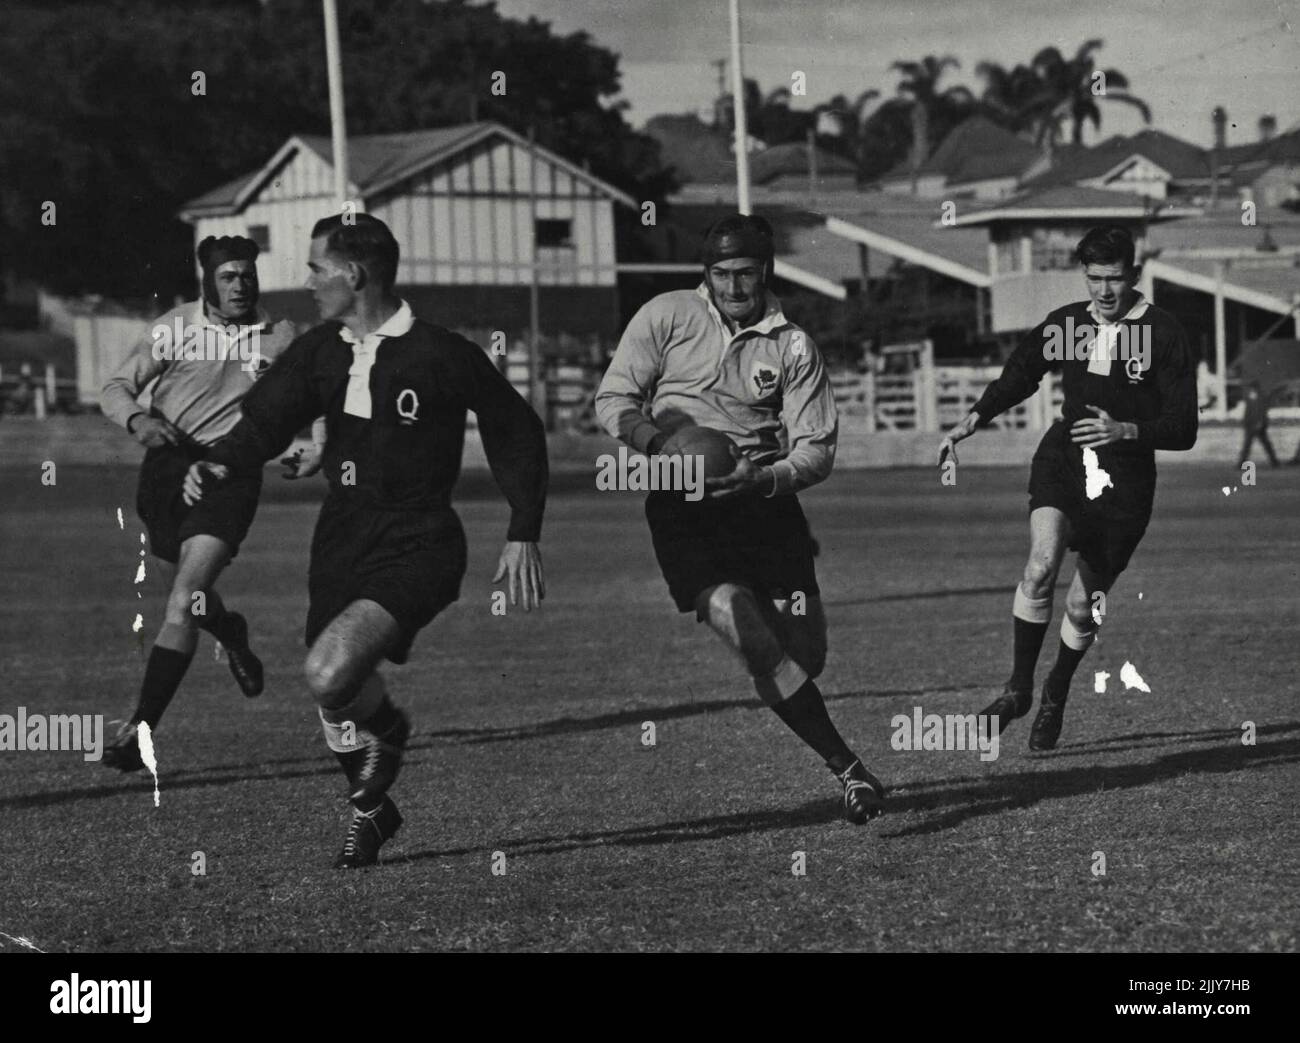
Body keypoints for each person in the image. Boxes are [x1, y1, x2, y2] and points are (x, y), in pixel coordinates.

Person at [184, 213, 548, 868]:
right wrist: (220, 459)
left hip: (423, 539)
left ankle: (386, 738)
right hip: (342, 534)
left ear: (353, 274)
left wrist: (524, 527)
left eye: (318, 269)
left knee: (331, 669)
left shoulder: (441, 352)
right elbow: (264, 422)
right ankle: (374, 812)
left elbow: (515, 428)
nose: (311, 281)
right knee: (331, 686)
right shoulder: (322, 349)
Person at [594, 214, 884, 824]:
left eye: (745, 274)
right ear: (707, 274)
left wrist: (769, 477)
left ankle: (799, 688)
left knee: (805, 656)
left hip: (764, 503)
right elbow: (614, 398)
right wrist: (659, 447)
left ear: (766, 272)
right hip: (682, 504)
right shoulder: (666, 315)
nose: (732, 287)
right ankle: (850, 771)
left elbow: (817, 449)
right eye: (721, 274)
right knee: (738, 623)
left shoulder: (793, 344)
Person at [938, 225, 1198, 751]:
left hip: (1125, 480)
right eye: (1095, 278)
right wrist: (975, 416)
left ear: (1135, 275)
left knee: (1082, 608)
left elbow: (1185, 428)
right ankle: (1017, 690)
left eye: (1116, 279)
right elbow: (1022, 372)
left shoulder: (1164, 333)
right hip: (1065, 457)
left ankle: (1056, 687)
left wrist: (1126, 430)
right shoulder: (1068, 325)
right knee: (1039, 569)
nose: (1105, 291)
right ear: (1084, 275)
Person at [100, 235, 312, 771]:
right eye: (228, 276)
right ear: (208, 282)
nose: (240, 284)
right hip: (168, 469)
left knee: (183, 598)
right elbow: (116, 387)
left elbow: (315, 393)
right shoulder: (174, 328)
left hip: (231, 472)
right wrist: (138, 419)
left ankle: (139, 730)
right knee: (186, 591)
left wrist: (317, 441)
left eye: (247, 275)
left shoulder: (281, 335)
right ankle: (232, 632)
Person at [1237, 382, 1278, 468]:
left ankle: (1241, 463)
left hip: (1256, 425)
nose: (1250, 390)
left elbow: (1260, 411)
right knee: (1263, 444)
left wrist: (1259, 422)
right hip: (1253, 425)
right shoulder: (1254, 397)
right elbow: (1249, 411)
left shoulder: (1258, 398)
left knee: (1249, 445)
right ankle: (1274, 462)